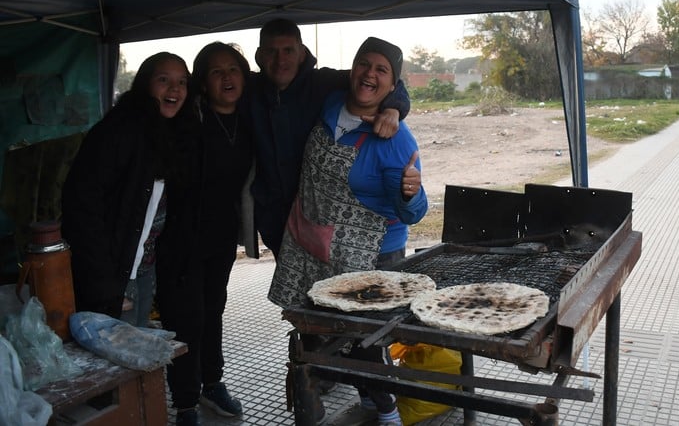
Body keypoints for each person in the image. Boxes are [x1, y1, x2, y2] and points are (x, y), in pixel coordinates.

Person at [268, 37, 427, 426]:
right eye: (363, 64)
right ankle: (366, 397)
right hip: (313, 246)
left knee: (363, 340)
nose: (369, 74)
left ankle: (387, 409)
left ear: (393, 86)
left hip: (370, 255)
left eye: (381, 70)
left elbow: (415, 213)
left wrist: (412, 192)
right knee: (319, 328)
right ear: (352, 68)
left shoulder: (396, 139)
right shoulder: (331, 103)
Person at [62, 53, 203, 423]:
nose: (174, 89)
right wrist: (107, 285)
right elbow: (82, 210)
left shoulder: (170, 134)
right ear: (144, 85)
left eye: (182, 82)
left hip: (142, 272)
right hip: (111, 276)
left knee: (136, 370)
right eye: (164, 80)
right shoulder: (118, 131)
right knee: (110, 378)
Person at [242, 18, 412, 256]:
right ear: (259, 56)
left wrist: (394, 108)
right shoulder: (249, 90)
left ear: (302, 53)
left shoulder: (323, 83)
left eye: (288, 51)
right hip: (275, 220)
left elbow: (382, 81)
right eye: (272, 52)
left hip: (319, 224)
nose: (280, 60)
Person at [163, 43, 254, 426]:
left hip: (219, 237)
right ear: (203, 82)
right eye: (216, 72)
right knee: (187, 318)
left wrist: (396, 102)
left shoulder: (250, 115)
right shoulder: (185, 120)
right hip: (179, 239)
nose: (227, 77)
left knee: (213, 311)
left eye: (233, 69)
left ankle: (212, 383)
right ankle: (185, 403)